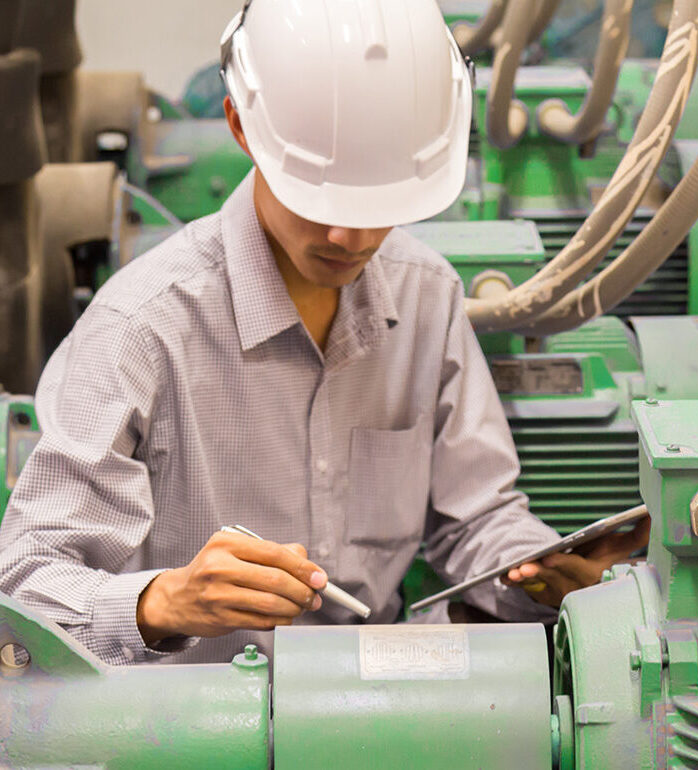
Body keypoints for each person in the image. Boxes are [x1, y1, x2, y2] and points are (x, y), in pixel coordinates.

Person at [0, 0, 648, 666]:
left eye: (382, 203)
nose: (352, 237)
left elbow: (477, 520)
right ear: (241, 129)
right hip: (190, 722)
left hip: (373, 699)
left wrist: (535, 575)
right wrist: (162, 603)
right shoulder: (142, 328)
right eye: (320, 199)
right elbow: (25, 580)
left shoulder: (427, 297)